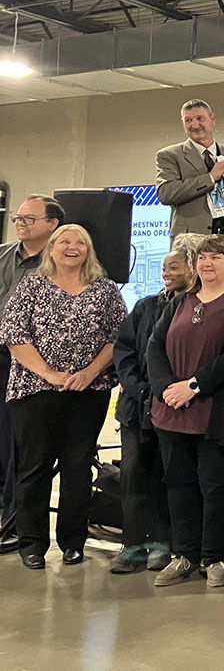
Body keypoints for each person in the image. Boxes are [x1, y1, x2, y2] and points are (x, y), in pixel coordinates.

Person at [0, 224, 125, 570]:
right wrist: (49, 374)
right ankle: (32, 543)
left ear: (89, 250)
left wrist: (90, 372)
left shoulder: (105, 290)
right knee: (34, 467)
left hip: (88, 391)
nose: (72, 247)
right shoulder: (32, 286)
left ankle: (73, 542)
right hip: (33, 390)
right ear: (52, 248)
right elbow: (14, 335)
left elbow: (117, 338)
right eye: (65, 241)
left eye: (80, 242)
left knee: (77, 467)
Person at [147, 234, 224, 588]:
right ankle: (184, 555)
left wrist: (193, 387)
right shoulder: (181, 300)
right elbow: (155, 346)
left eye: (216, 257)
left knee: (217, 486)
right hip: (172, 411)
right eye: (202, 258)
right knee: (179, 484)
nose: (207, 263)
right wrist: (166, 388)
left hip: (214, 412)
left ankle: (214, 558)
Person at [108, 248, 193, 574]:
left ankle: (162, 543)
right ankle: (132, 544)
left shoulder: (195, 309)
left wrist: (165, 391)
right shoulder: (145, 307)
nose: (166, 273)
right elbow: (124, 351)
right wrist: (140, 389)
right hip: (136, 407)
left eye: (175, 267)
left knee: (166, 473)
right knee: (134, 474)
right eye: (164, 268)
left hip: (174, 407)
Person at [0, 194, 63, 556]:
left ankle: (14, 524)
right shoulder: (4, 256)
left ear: (52, 224)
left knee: (21, 447)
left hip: (34, 364)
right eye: (18, 218)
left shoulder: (60, 262)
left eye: (29, 218)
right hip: (1, 353)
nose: (21, 223)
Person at [155, 98, 224, 270]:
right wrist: (210, 178)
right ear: (182, 123)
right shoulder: (170, 155)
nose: (195, 125)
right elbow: (166, 193)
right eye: (188, 120)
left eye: (200, 118)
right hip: (193, 242)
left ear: (212, 119)